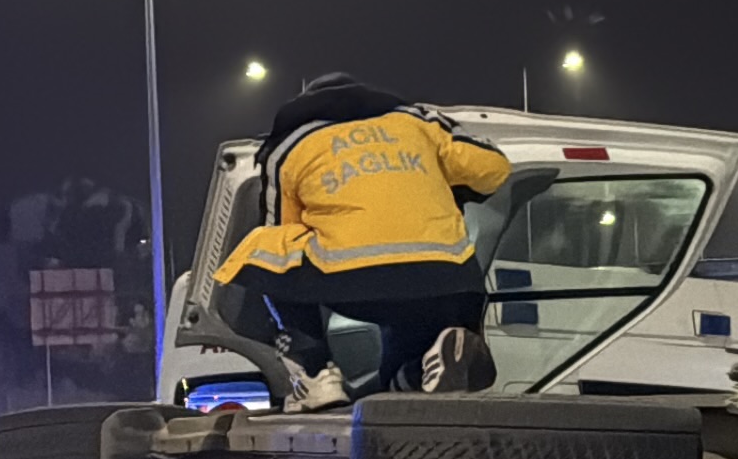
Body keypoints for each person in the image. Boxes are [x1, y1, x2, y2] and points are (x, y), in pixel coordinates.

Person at [210, 71, 513, 408]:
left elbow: (281, 226)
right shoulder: (419, 122)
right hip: (448, 284)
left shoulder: (290, 144)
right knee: (407, 354)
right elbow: (494, 169)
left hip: (354, 286)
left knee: (265, 245)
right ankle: (435, 360)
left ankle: (315, 374)